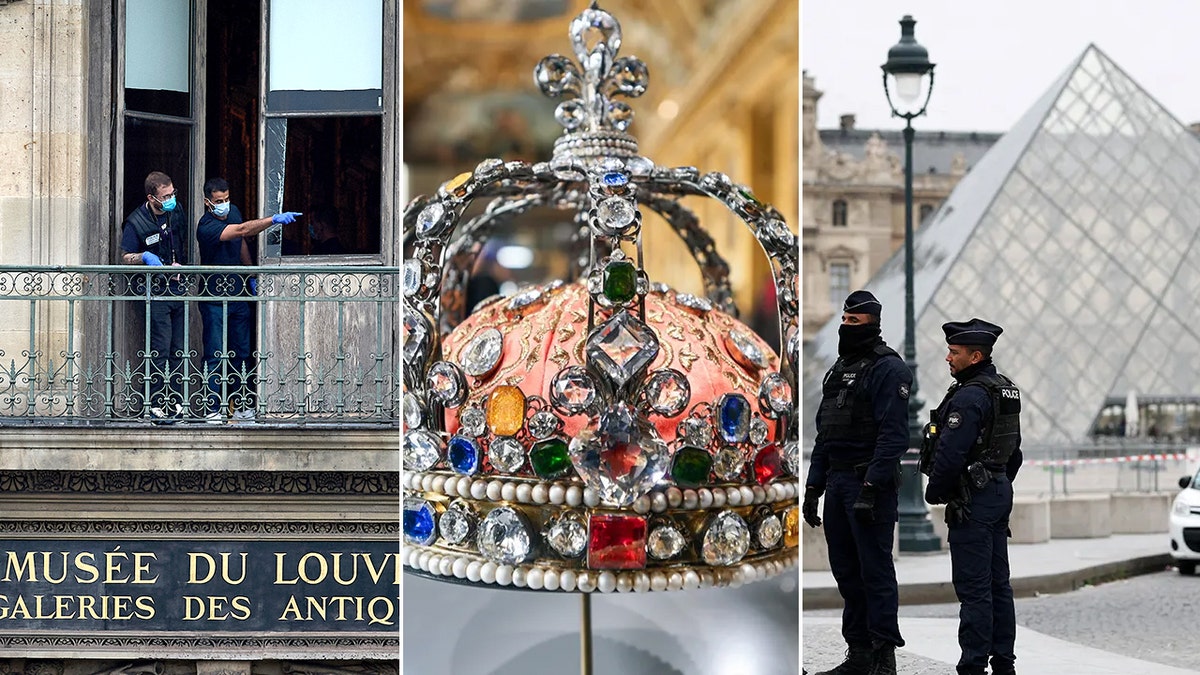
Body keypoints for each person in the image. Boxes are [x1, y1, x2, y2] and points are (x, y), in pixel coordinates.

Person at [805, 290, 911, 675]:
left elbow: (893, 437)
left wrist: (870, 487)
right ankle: (859, 652)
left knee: (875, 573)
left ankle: (884, 657)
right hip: (837, 483)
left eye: (854, 322)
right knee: (847, 573)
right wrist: (813, 487)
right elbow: (825, 434)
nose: (846, 327)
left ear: (872, 324)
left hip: (868, 485)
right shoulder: (837, 369)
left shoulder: (889, 370)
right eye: (844, 321)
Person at [922, 319, 1023, 675]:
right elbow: (1016, 453)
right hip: (997, 492)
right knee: (999, 584)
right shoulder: (1005, 390)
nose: (948, 357)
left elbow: (949, 454)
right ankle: (1004, 662)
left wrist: (936, 491)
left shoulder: (968, 397)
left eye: (954, 352)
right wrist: (996, 481)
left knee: (974, 588)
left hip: (973, 499)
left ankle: (973, 665)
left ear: (975, 355)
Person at [196, 177, 301, 423]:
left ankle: (242, 405)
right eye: (218, 201)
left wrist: (251, 273)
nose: (224, 204)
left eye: (226, 199)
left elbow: (240, 240)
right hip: (213, 297)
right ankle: (212, 408)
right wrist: (273, 219)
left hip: (237, 294)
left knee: (242, 352)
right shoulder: (206, 226)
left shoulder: (233, 211)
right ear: (207, 202)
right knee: (215, 353)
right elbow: (242, 230)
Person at [119, 171, 190, 422]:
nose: (170, 199)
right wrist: (145, 258)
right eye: (165, 196)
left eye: (173, 194)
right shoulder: (136, 222)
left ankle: (178, 402)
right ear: (152, 197)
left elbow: (180, 240)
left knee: (179, 349)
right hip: (154, 290)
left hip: (177, 288)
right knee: (159, 349)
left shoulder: (176, 211)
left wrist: (179, 265)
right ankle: (155, 403)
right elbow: (125, 257)